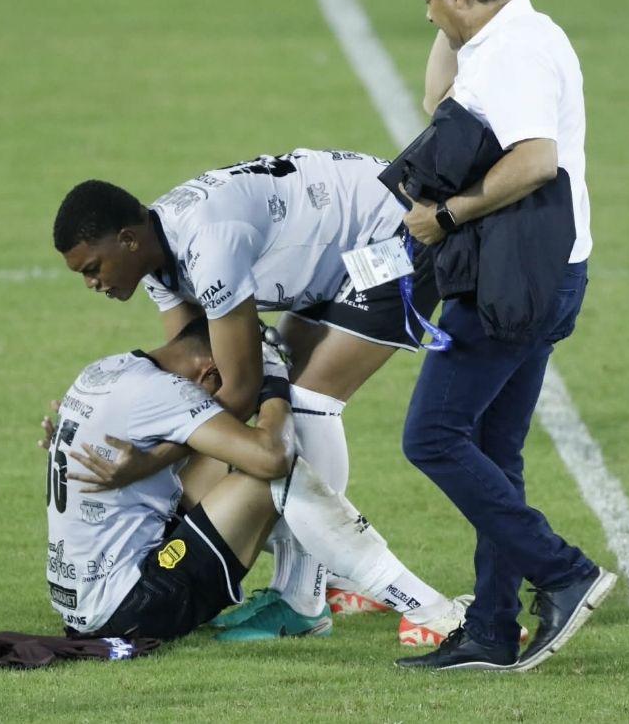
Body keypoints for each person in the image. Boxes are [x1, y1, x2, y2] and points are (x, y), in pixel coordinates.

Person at [49, 150, 457, 644]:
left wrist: (150, 461)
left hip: (392, 231)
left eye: (92, 267)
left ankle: (311, 601)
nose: (92, 283)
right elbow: (199, 380)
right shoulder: (159, 262)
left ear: (128, 240)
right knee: (274, 410)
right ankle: (327, 578)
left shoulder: (207, 246)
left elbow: (237, 393)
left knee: (305, 401)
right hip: (333, 258)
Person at [393, 0, 615, 672]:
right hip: (534, 272)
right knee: (492, 447)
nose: (425, 15)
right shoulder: (503, 39)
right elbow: (437, 98)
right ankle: (491, 628)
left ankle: (563, 570)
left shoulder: (517, 52)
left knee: (432, 435)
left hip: (515, 280)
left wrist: (445, 215)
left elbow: (535, 162)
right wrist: (454, 25)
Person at [42, 317, 465, 648]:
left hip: (82, 597)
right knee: (273, 472)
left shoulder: (107, 370)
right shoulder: (167, 393)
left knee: (227, 452)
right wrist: (273, 378)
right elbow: (272, 458)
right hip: (133, 607)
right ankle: (424, 607)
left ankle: (331, 580)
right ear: (210, 370)